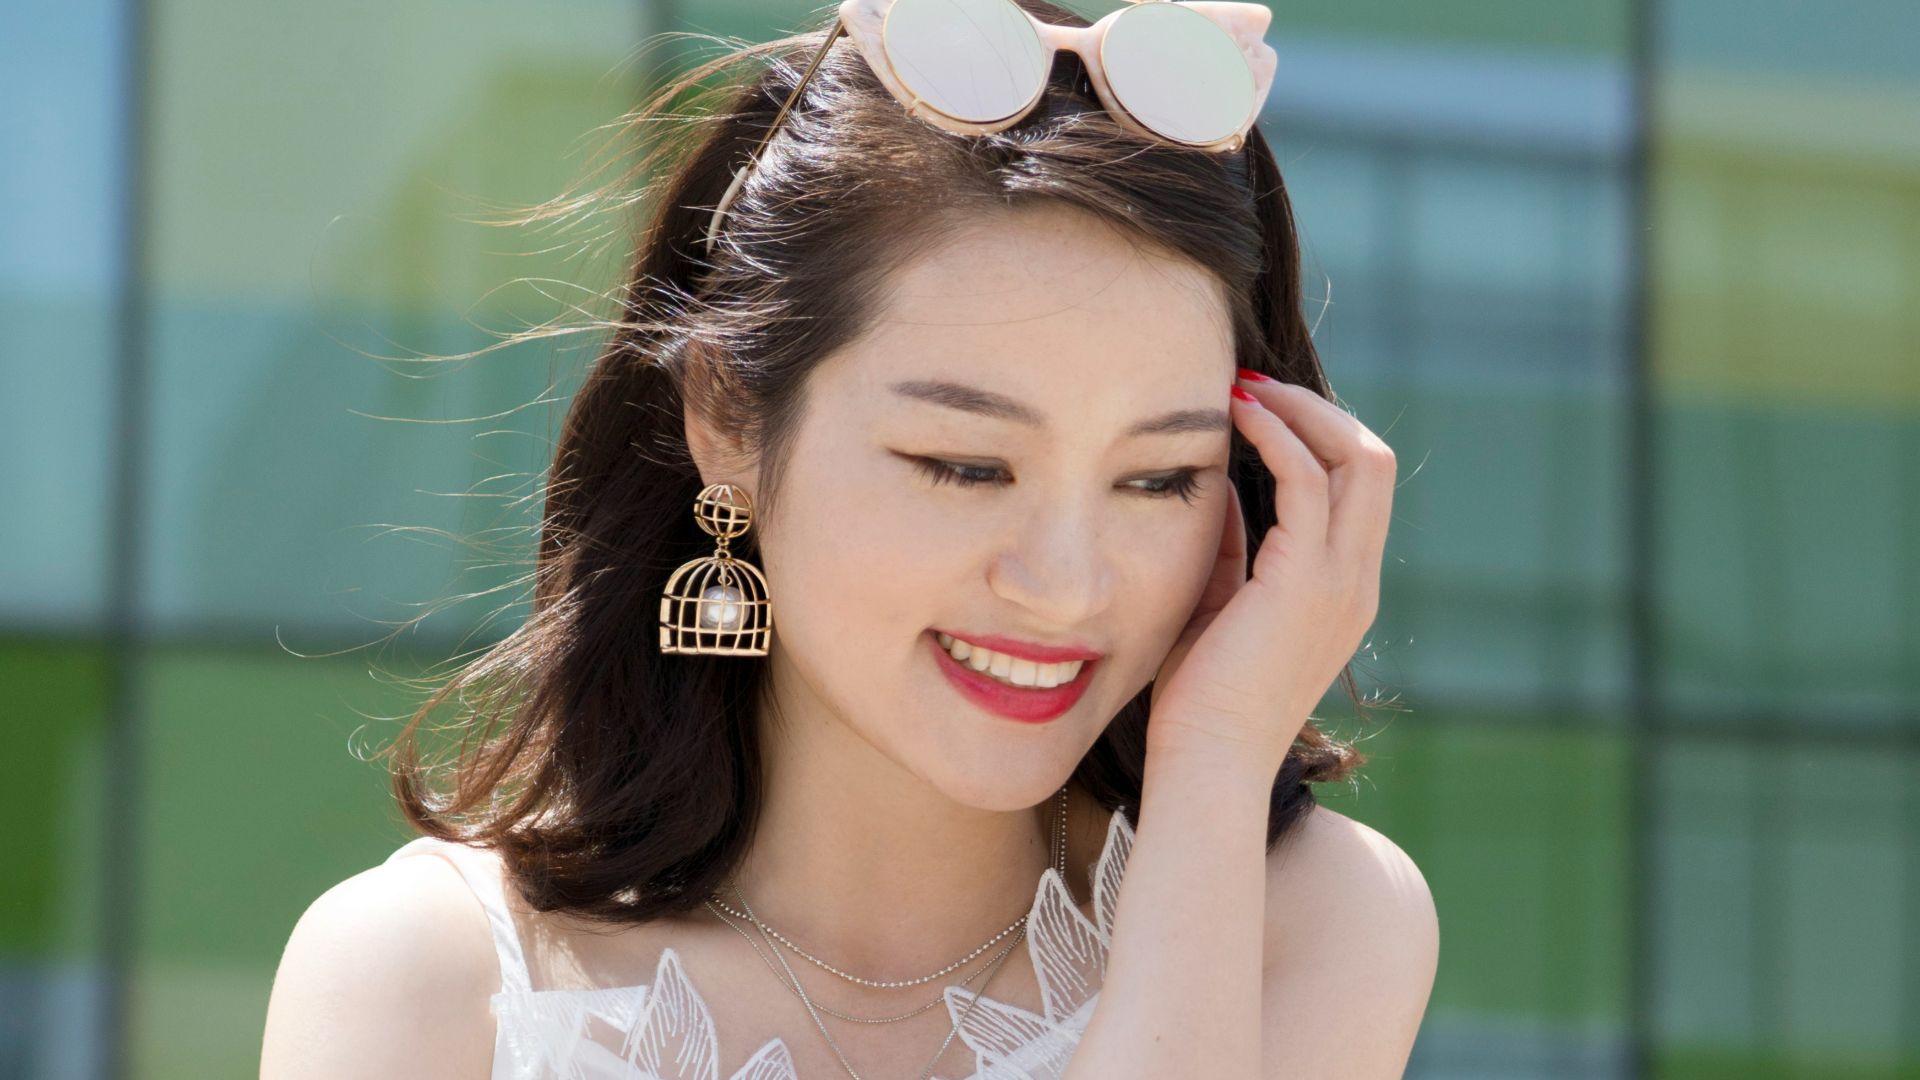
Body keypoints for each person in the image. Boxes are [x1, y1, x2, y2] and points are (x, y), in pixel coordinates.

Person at [260, 1, 1437, 1076]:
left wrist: (1221, 755)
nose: (1066, 584)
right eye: (966, 465)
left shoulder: (1310, 920)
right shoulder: (427, 982)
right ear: (726, 416)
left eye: (1158, 479)